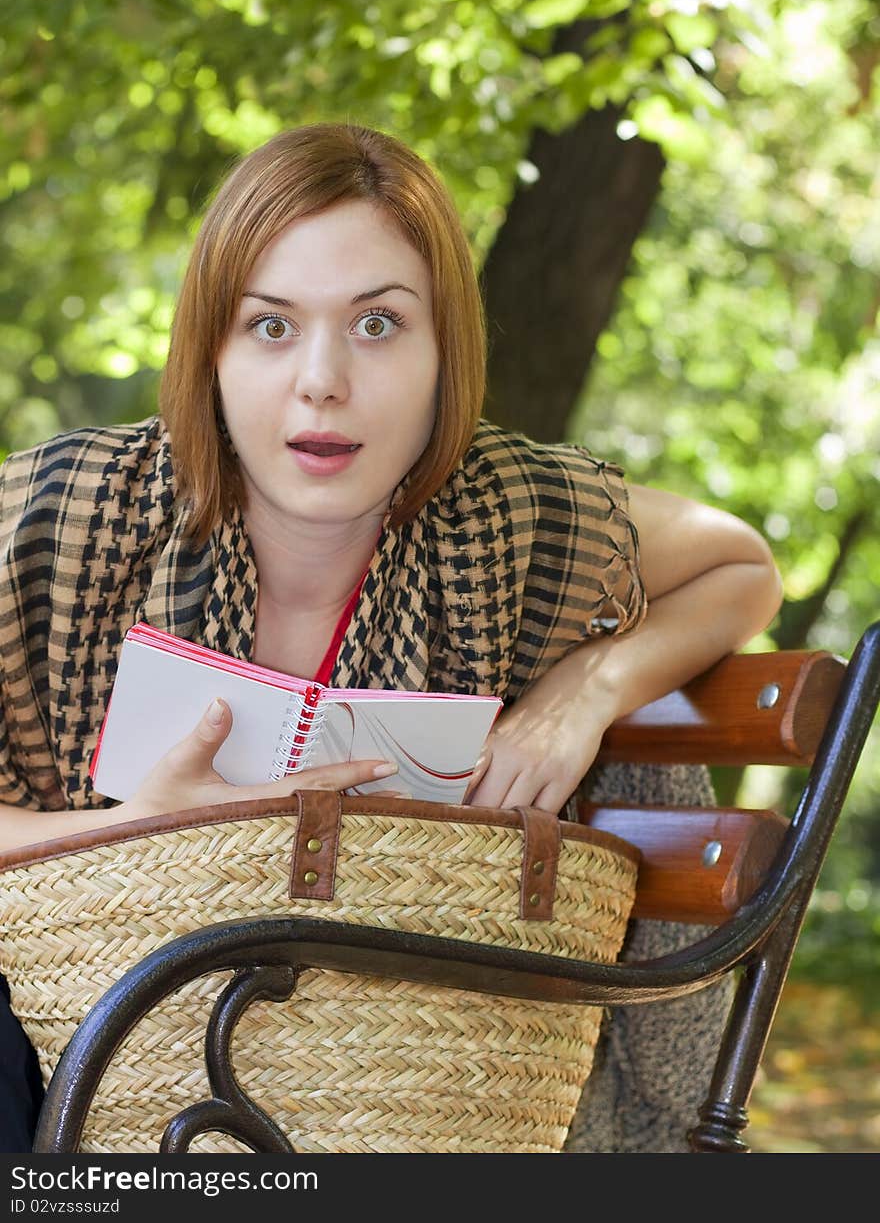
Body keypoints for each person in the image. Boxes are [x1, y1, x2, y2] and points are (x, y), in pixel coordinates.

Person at [0, 123, 783, 1151]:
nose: (321, 380)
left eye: (377, 325)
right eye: (270, 327)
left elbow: (742, 567)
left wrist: (582, 693)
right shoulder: (60, 515)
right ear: (210, 355)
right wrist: (132, 828)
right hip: (63, 1054)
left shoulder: (512, 516)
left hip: (377, 1088)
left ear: (442, 355)